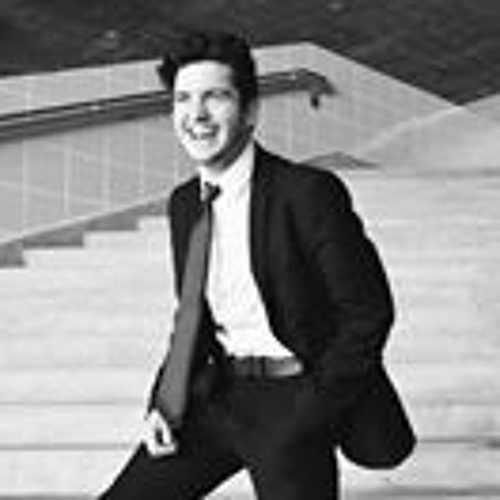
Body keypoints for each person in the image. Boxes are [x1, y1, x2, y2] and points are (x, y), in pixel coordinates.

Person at [99, 29, 415, 500]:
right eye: (183, 99)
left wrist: (312, 410)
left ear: (250, 110)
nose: (196, 114)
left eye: (215, 97)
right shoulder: (184, 204)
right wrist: (163, 403)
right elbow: (191, 317)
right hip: (216, 397)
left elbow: (367, 312)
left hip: (294, 399)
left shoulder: (306, 193)